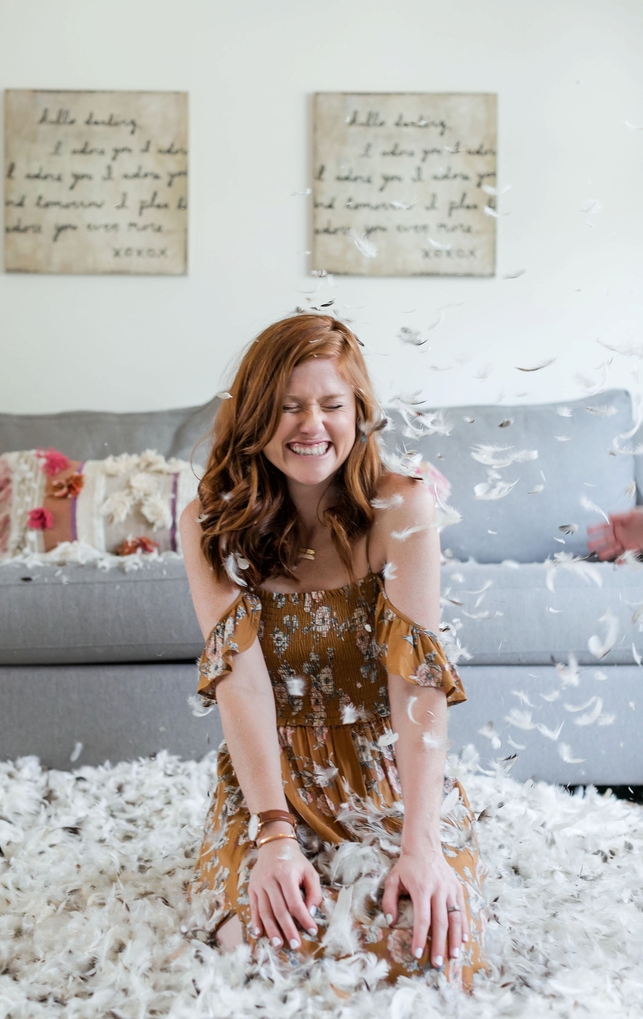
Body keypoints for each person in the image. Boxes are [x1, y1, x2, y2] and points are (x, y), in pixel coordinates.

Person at [179, 314, 487, 989]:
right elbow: (243, 682)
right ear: (257, 416)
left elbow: (418, 685)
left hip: (386, 773)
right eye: (288, 406)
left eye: (330, 404)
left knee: (418, 947)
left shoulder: (400, 507)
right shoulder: (210, 520)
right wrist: (274, 836)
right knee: (261, 951)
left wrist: (421, 842)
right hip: (271, 779)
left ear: (359, 413)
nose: (310, 424)